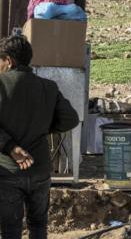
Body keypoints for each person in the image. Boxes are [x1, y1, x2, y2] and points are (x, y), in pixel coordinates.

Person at [0, 35, 79, 239]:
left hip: (8, 173)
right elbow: (70, 119)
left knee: (10, 230)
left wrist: (10, 147)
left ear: (9, 61)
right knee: (38, 226)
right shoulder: (48, 86)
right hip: (40, 170)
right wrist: (44, 127)